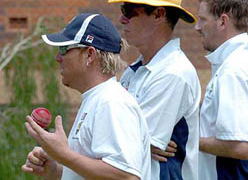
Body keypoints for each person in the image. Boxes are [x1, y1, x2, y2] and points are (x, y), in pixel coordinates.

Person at [21, 13, 151, 180]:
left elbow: (126, 176)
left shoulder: (111, 102)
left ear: (90, 55)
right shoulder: (98, 99)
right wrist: (56, 172)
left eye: (63, 49)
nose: (57, 58)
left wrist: (64, 155)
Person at [108, 0, 201, 180]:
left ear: (159, 14)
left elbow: (125, 146)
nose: (122, 18)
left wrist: (138, 141)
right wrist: (137, 140)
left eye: (130, 11)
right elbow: (126, 141)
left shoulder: (174, 73)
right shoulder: (135, 71)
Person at [196, 0, 248, 180]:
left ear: (223, 21)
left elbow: (241, 146)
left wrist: (191, 141)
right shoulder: (238, 64)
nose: (197, 27)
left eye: (202, 19)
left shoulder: (234, 71)